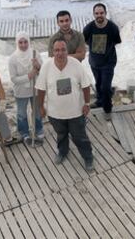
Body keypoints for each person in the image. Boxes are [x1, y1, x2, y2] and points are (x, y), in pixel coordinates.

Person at [36, 39, 94, 171]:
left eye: (63, 50)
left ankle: (88, 157)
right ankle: (63, 151)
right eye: (57, 50)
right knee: (61, 134)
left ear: (67, 51)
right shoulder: (46, 66)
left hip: (76, 111)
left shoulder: (76, 65)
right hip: (55, 113)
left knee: (79, 136)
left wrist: (87, 103)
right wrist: (40, 106)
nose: (60, 53)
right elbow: (41, 89)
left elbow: (85, 85)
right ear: (52, 52)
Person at [83, 3, 121, 120]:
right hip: (94, 62)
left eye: (101, 13)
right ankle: (100, 101)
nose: (99, 15)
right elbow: (85, 41)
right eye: (97, 13)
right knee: (98, 84)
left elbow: (116, 41)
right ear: (93, 14)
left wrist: (106, 50)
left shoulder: (113, 27)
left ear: (105, 13)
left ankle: (107, 108)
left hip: (108, 62)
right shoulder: (88, 28)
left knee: (105, 86)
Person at [9, 31, 44, 146]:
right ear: (17, 43)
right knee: (22, 113)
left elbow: (43, 70)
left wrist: (38, 66)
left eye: (25, 42)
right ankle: (24, 132)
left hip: (35, 88)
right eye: (20, 42)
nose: (23, 45)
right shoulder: (13, 58)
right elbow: (14, 79)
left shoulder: (34, 53)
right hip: (21, 91)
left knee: (37, 110)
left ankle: (38, 129)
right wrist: (29, 76)